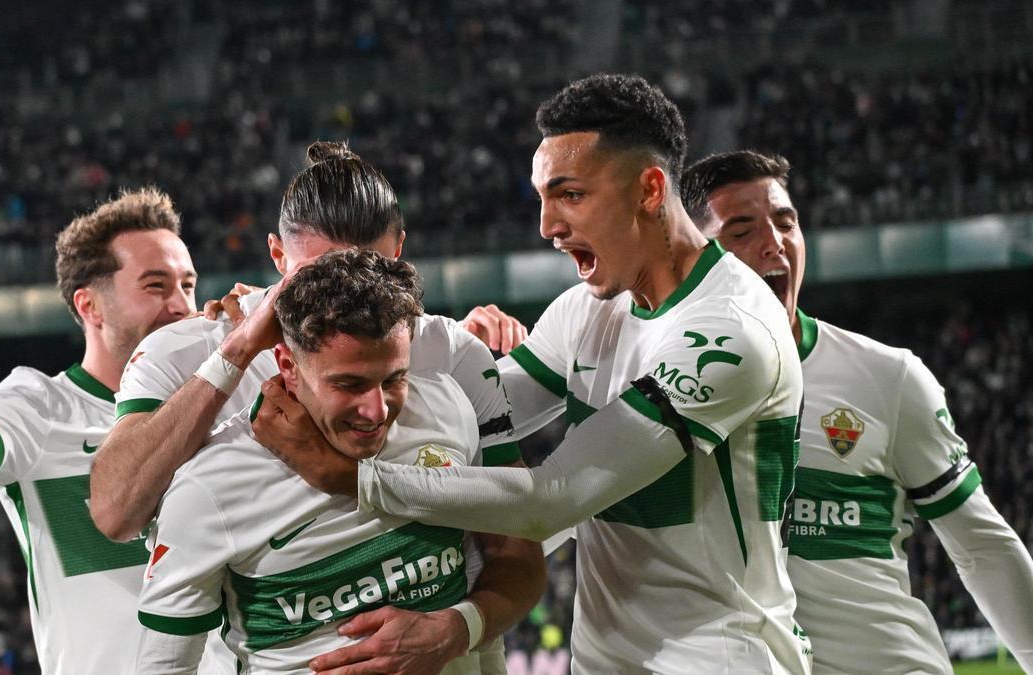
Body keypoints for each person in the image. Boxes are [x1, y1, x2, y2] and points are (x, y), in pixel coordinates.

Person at [254, 74, 812, 674]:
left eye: (569, 195)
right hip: (605, 657)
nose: (547, 225)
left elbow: (554, 497)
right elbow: (474, 422)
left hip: (719, 658)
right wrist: (446, 349)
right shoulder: (587, 309)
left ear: (650, 189)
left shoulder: (730, 332)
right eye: (542, 197)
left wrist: (349, 477)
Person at [91, 141, 544, 671]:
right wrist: (232, 356)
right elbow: (115, 511)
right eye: (316, 274)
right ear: (278, 258)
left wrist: (457, 628)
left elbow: (516, 546)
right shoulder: (186, 353)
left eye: (367, 267)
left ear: (397, 252)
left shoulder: (451, 359)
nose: (342, 295)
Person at [679, 149, 1033, 673]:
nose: (774, 242)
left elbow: (981, 545)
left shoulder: (886, 378)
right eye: (741, 230)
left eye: (785, 222)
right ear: (695, 255)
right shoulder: (660, 387)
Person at [0, 188, 227, 675]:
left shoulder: (224, 403)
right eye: (155, 286)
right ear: (90, 307)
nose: (181, 305)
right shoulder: (37, 407)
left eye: (187, 285)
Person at [136, 249, 533, 674]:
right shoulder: (208, 488)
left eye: (395, 378)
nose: (377, 410)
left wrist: (461, 627)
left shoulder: (446, 407)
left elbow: (516, 556)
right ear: (287, 365)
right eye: (349, 384)